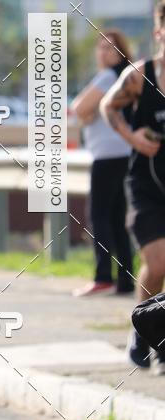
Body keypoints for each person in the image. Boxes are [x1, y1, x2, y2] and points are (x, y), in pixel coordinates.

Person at [102, 0, 165, 372]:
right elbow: (109, 107)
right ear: (159, 32)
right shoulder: (143, 74)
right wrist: (133, 138)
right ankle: (144, 331)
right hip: (146, 184)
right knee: (157, 262)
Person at [72, 29, 135, 296]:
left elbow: (78, 109)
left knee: (98, 216)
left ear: (121, 52)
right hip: (123, 154)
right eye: (101, 47)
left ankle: (102, 276)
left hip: (108, 156)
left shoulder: (108, 76)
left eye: (111, 48)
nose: (104, 52)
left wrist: (87, 115)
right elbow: (84, 111)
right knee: (117, 218)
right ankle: (125, 280)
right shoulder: (125, 76)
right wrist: (87, 113)